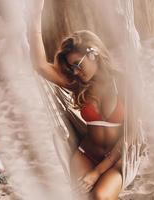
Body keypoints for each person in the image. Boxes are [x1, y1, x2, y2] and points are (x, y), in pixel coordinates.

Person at [28, 1, 125, 200]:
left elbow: (131, 135)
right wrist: (35, 15)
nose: (76, 72)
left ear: (93, 53)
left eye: (78, 64)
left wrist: (97, 172)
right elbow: (39, 65)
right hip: (85, 155)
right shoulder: (79, 86)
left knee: (100, 196)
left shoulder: (124, 83)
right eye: (72, 68)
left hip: (117, 158)